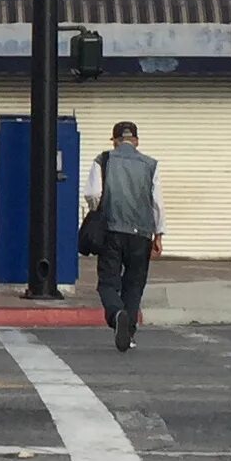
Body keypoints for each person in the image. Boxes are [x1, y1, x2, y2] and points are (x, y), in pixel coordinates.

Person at [82, 122, 162, 350]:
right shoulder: (151, 165)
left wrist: (96, 210)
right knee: (134, 284)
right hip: (142, 234)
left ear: (115, 140)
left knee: (107, 282)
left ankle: (117, 313)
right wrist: (159, 235)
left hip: (111, 230)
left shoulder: (104, 160)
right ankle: (130, 332)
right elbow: (157, 203)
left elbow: (93, 194)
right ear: (136, 141)